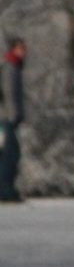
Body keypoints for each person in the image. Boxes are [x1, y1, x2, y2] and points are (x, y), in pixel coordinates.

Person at [0, 37, 25, 202]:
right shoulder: (11, 68)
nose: (24, 51)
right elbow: (10, 93)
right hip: (6, 118)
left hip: (5, 117)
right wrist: (15, 115)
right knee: (11, 154)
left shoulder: (11, 66)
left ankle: (6, 189)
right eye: (21, 48)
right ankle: (5, 190)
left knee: (8, 153)